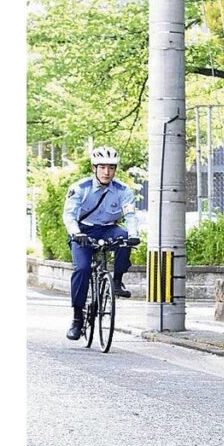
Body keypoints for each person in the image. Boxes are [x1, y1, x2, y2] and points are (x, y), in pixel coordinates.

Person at [62, 146, 141, 340]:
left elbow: (130, 215)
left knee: (125, 239)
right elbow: (69, 215)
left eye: (111, 168)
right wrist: (76, 233)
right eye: (102, 167)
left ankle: (116, 281)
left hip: (108, 228)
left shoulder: (123, 190)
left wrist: (133, 234)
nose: (107, 172)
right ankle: (77, 318)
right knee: (82, 269)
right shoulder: (80, 188)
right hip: (83, 230)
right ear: (94, 168)